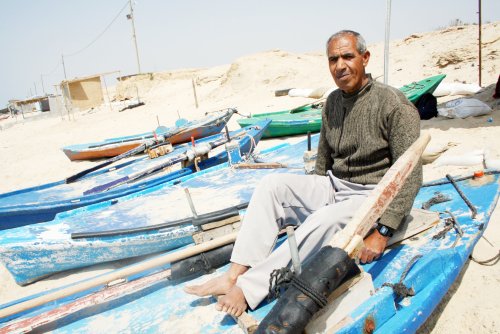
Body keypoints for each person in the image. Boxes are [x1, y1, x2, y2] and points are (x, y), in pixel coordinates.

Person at [184, 30, 422, 317]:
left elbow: (411, 174)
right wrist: (311, 199)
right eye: (333, 59)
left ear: (365, 58)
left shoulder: (393, 105)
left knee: (325, 218)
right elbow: (323, 160)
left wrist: (383, 231)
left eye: (348, 56)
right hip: (334, 186)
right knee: (273, 185)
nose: (340, 65)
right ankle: (234, 274)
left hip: (372, 196)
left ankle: (248, 289)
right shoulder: (333, 102)